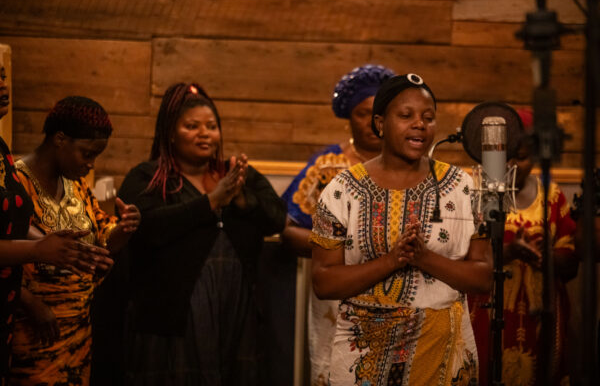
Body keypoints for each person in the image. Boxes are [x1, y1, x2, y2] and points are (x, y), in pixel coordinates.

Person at [310, 73, 492, 385]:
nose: (420, 124)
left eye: (428, 118)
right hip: (363, 359)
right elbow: (324, 282)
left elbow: (484, 276)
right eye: (406, 116)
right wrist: (392, 260)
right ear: (380, 124)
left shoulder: (464, 188)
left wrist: (425, 258)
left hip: (442, 354)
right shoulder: (342, 190)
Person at [118, 82, 286, 385]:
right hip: (173, 316)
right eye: (192, 126)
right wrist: (211, 201)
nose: (204, 133)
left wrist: (242, 199)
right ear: (171, 133)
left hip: (236, 308)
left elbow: (277, 220)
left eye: (211, 126)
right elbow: (147, 228)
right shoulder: (148, 177)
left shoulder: (237, 175)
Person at [8, 96, 141, 385]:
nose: (91, 164)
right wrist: (29, 303)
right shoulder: (14, 183)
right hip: (34, 329)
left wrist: (124, 228)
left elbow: (103, 238)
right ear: (60, 139)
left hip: (78, 330)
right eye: (87, 154)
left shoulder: (75, 183)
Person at [281, 64, 395, 385]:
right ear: (348, 117)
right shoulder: (327, 166)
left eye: (379, 114)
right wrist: (340, 249)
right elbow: (289, 229)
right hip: (337, 297)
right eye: (362, 113)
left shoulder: (410, 168)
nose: (372, 123)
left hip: (394, 294)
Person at [468, 109, 578, 386]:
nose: (511, 165)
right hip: (487, 313)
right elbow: (463, 259)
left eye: (521, 157)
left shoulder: (551, 196)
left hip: (540, 316)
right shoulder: (475, 194)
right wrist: (510, 252)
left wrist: (547, 257)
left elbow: (571, 262)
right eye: (503, 156)